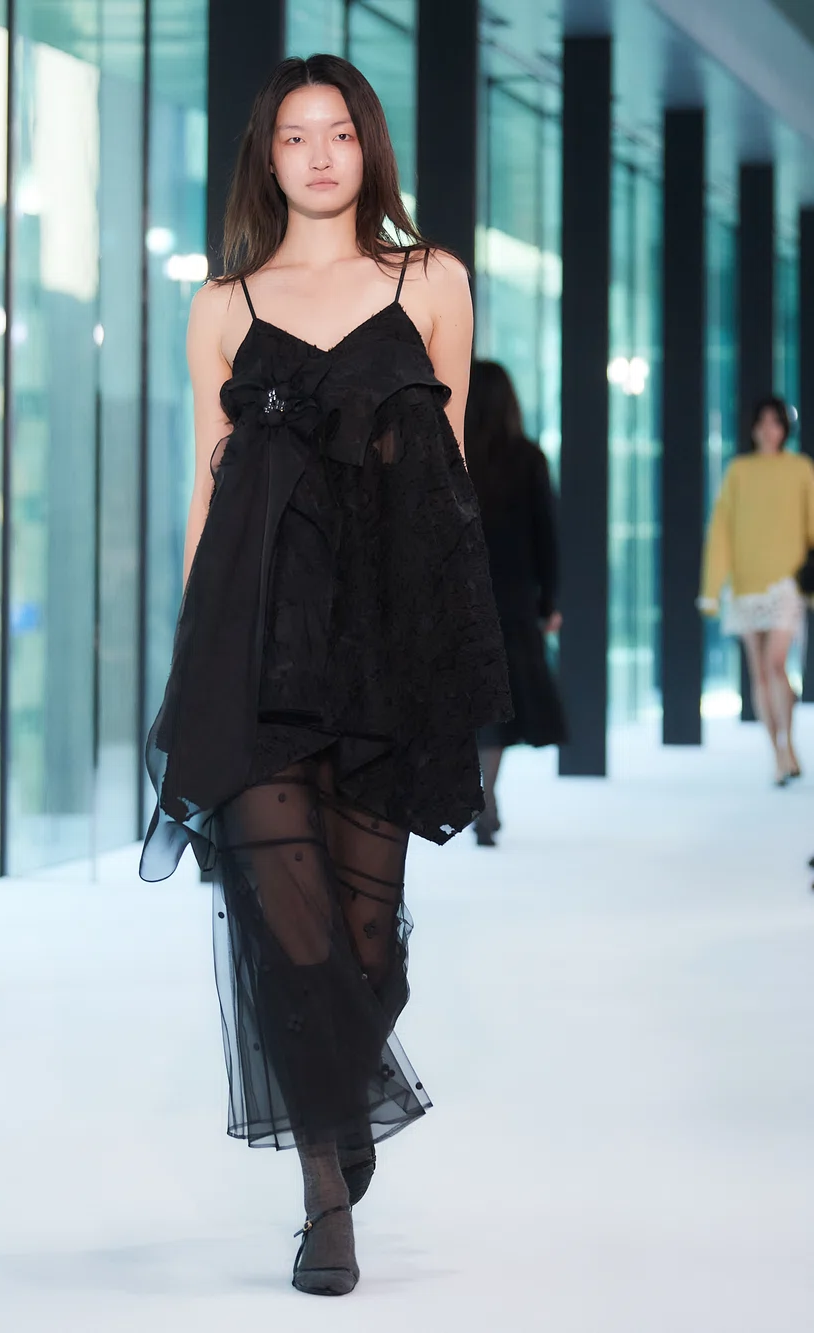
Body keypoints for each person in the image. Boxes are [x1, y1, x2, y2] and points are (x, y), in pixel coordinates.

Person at [138, 54, 510, 1296]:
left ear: (367, 147)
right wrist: (190, 659)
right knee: (290, 933)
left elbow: (451, 484)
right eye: (293, 135)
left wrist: (458, 653)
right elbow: (208, 493)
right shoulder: (223, 305)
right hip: (254, 647)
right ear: (267, 156)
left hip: (386, 648)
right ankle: (323, 1203)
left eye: (337, 132)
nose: (316, 154)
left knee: (365, 945)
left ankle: (342, 1093)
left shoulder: (430, 281)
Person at [463, 361, 567, 845]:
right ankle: (486, 794)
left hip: (460, 596)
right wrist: (549, 600)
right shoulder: (527, 458)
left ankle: (478, 794)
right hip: (512, 597)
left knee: (467, 698)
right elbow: (547, 533)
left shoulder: (452, 452)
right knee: (500, 703)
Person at [700, 396, 814, 785]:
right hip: (746, 583)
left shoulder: (801, 469)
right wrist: (711, 588)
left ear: (784, 428)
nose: (768, 430)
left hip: (786, 582)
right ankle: (778, 753)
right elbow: (721, 531)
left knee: (776, 664)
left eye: (775, 422)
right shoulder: (739, 472)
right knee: (760, 672)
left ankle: (788, 742)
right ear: (753, 428)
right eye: (762, 422)